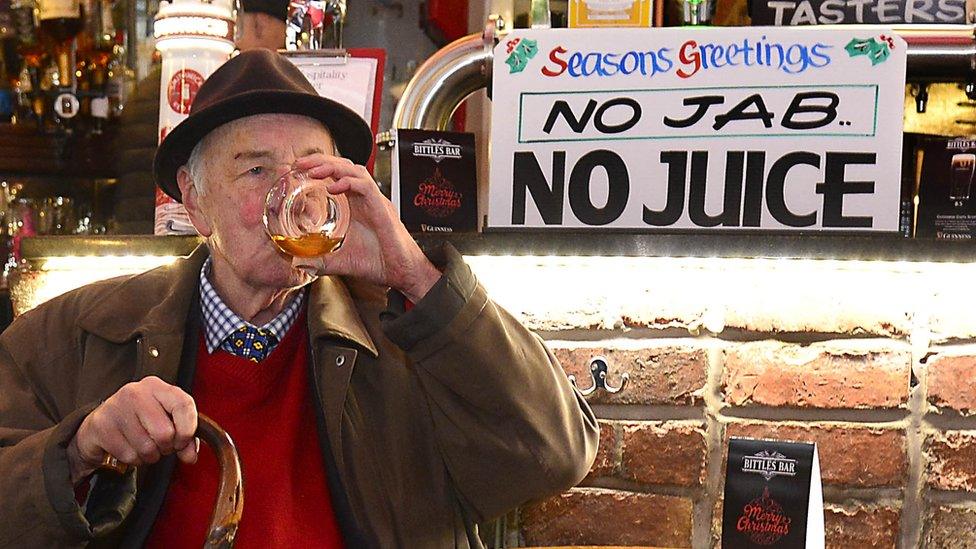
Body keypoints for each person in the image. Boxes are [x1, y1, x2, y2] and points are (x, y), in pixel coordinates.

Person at [0, 49, 599, 547]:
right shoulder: (76, 334)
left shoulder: (404, 329)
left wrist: (414, 272)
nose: (289, 194)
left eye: (311, 172)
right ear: (195, 198)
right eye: (256, 171)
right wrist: (80, 449)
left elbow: (553, 456)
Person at [111, 0, 289, 234]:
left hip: (139, 243)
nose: (285, 43)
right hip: (191, 239)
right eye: (285, 31)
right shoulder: (237, 94)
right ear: (261, 23)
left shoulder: (144, 90)